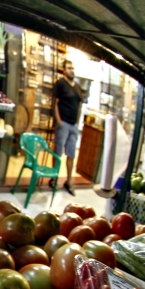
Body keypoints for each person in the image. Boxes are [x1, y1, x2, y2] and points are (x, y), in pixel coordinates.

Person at [51, 59, 88, 196]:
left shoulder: (77, 86)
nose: (72, 70)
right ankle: (54, 178)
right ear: (64, 70)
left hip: (74, 125)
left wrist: (78, 122)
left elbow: (79, 104)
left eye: (73, 68)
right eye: (69, 68)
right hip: (64, 123)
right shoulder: (61, 83)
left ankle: (69, 181)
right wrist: (59, 121)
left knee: (71, 154)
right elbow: (55, 102)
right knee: (58, 152)